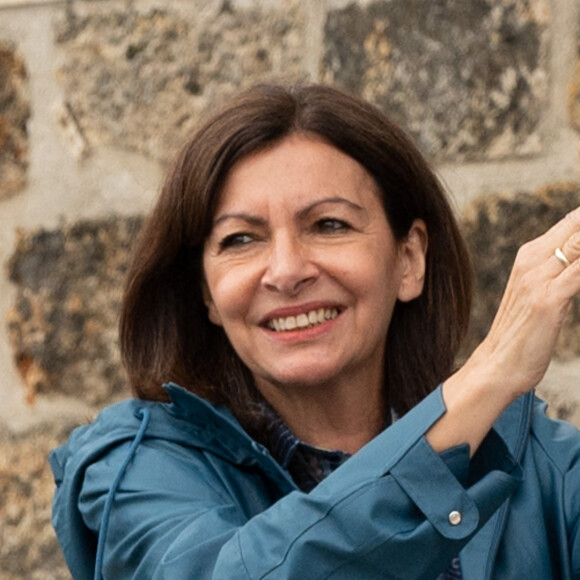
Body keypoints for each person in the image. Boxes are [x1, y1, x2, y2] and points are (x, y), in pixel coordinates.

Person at [50, 83, 580, 580]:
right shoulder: (131, 470)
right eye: (240, 239)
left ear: (409, 259)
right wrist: (486, 380)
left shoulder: (554, 474)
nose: (286, 270)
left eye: (329, 225)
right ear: (206, 293)